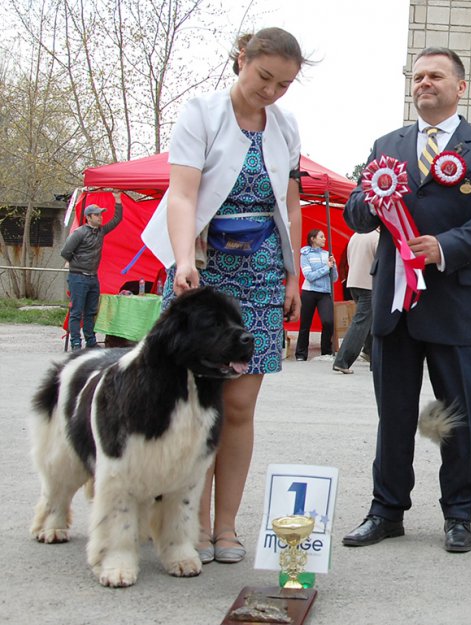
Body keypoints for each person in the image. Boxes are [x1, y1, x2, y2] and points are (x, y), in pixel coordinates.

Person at [341, 47, 471, 553]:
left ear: (460, 86)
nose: (424, 83)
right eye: (417, 76)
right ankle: (386, 510)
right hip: (393, 305)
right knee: (392, 415)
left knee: (455, 417)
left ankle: (459, 514)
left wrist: (446, 247)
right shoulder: (387, 145)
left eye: (435, 76)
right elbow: (359, 215)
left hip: (451, 301)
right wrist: (368, 197)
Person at [140, 27, 307, 563]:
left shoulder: (285, 127)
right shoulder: (201, 113)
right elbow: (183, 193)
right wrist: (185, 258)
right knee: (193, 407)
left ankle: (227, 527)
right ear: (242, 59)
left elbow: (291, 206)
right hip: (205, 272)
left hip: (260, 274)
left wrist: (293, 275)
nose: (271, 92)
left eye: (284, 84)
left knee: (238, 406)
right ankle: (185, 521)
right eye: (264, 77)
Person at [60, 193, 123, 351]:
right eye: (97, 214)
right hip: (78, 277)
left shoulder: (100, 232)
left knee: (91, 311)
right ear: (89, 217)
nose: (101, 217)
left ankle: (90, 340)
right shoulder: (80, 233)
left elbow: (117, 220)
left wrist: (117, 200)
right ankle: (76, 342)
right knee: (76, 311)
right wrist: (77, 264)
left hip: (93, 277)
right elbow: (65, 252)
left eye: (101, 214)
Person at [332, 228, 379, 374]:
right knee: (361, 322)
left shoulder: (355, 236)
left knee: (368, 321)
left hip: (353, 283)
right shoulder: (377, 238)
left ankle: (370, 354)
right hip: (368, 284)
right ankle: (343, 360)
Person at [294, 229, 338, 361]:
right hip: (309, 292)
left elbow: (334, 278)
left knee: (328, 321)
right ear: (313, 239)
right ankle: (301, 354)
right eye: (321, 237)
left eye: (324, 237)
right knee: (305, 323)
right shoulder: (305, 254)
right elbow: (309, 276)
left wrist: (333, 266)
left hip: (324, 293)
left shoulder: (327, 254)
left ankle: (326, 351)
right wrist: (326, 268)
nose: (324, 239)